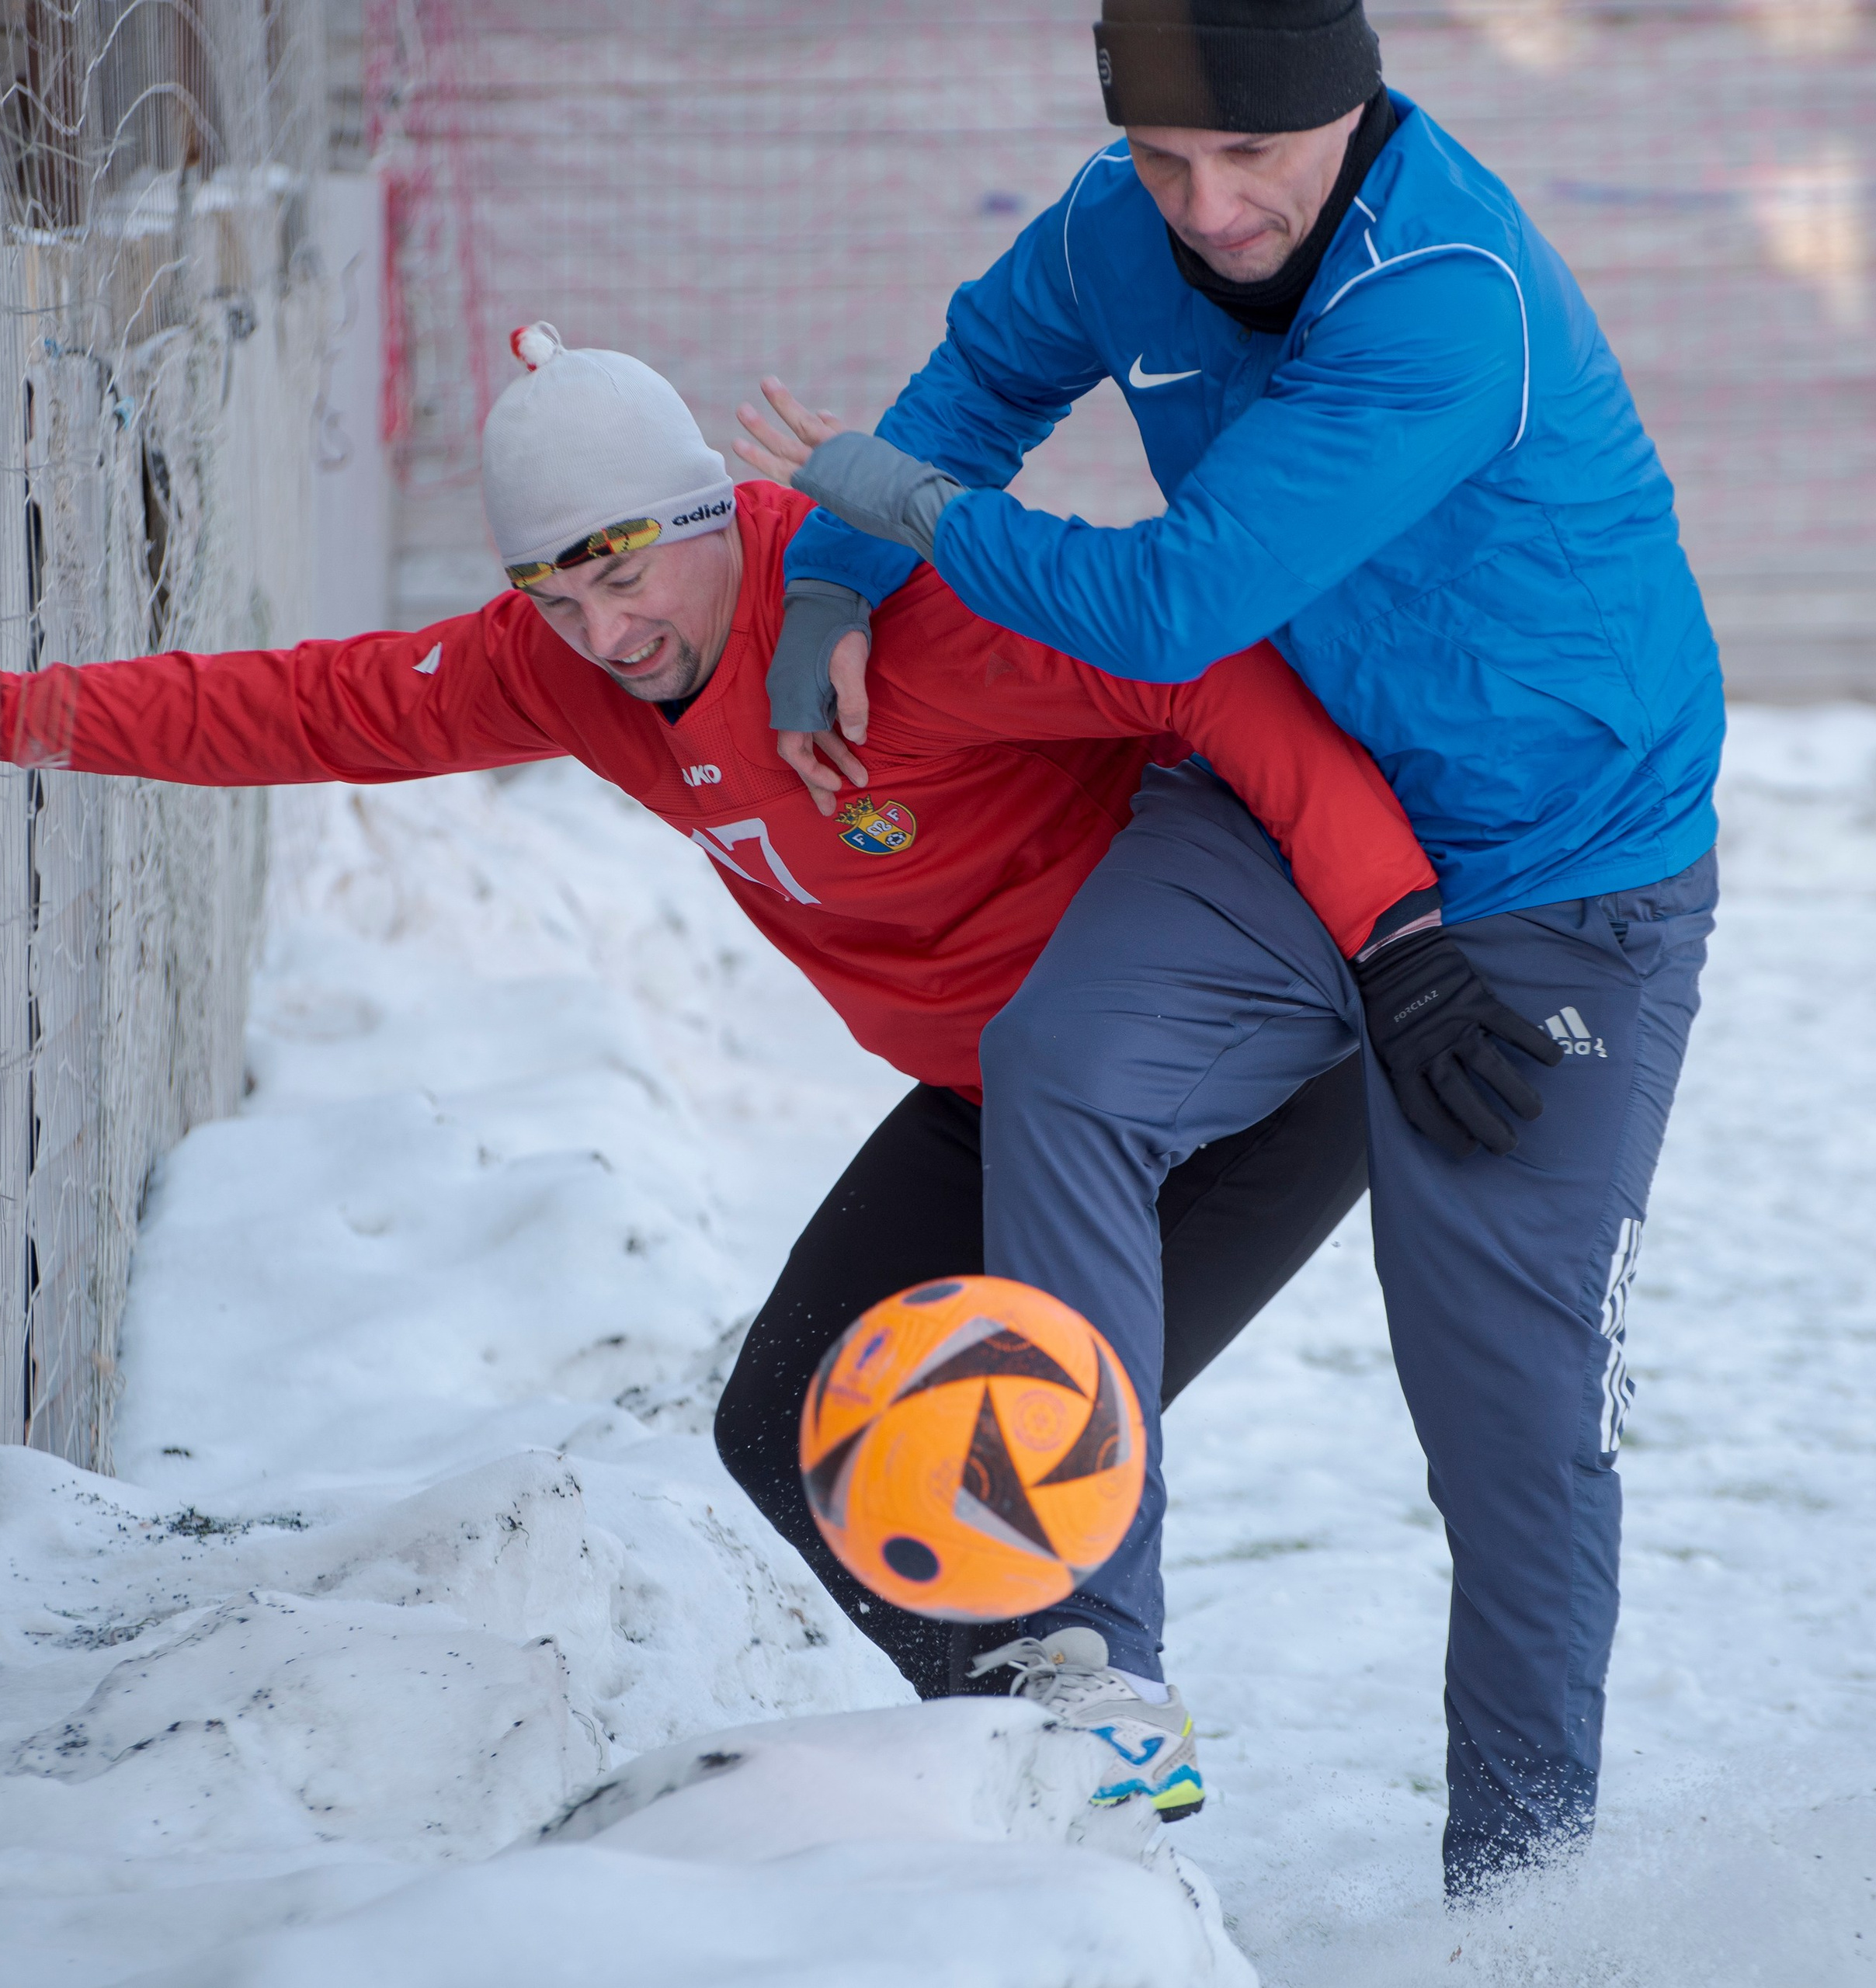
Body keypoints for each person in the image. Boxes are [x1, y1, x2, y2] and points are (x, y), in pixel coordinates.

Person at [0, 322, 1440, 1824]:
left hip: (1234, 1091)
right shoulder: (572, 665)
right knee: (794, 1428)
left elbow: (1212, 677)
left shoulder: (897, 611)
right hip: (994, 1094)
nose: (606, 637)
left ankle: (1107, 1722)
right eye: (558, 603)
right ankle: (1017, 1748)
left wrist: (1407, 934)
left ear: (712, 514)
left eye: (627, 579)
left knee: (1008, 1435)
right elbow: (314, 701)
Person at [736, 0, 1722, 1891]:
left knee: (1503, 1419)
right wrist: (832, 584)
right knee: (1065, 1062)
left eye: (1249, 160)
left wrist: (896, 510)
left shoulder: (1443, 294)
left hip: (1558, 868)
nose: (1207, 209)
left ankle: (1520, 1899)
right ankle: (1094, 1662)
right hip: (1295, 795)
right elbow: (973, 382)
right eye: (1169, 161)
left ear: (1347, 112)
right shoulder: (1123, 216)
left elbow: (1172, 600)